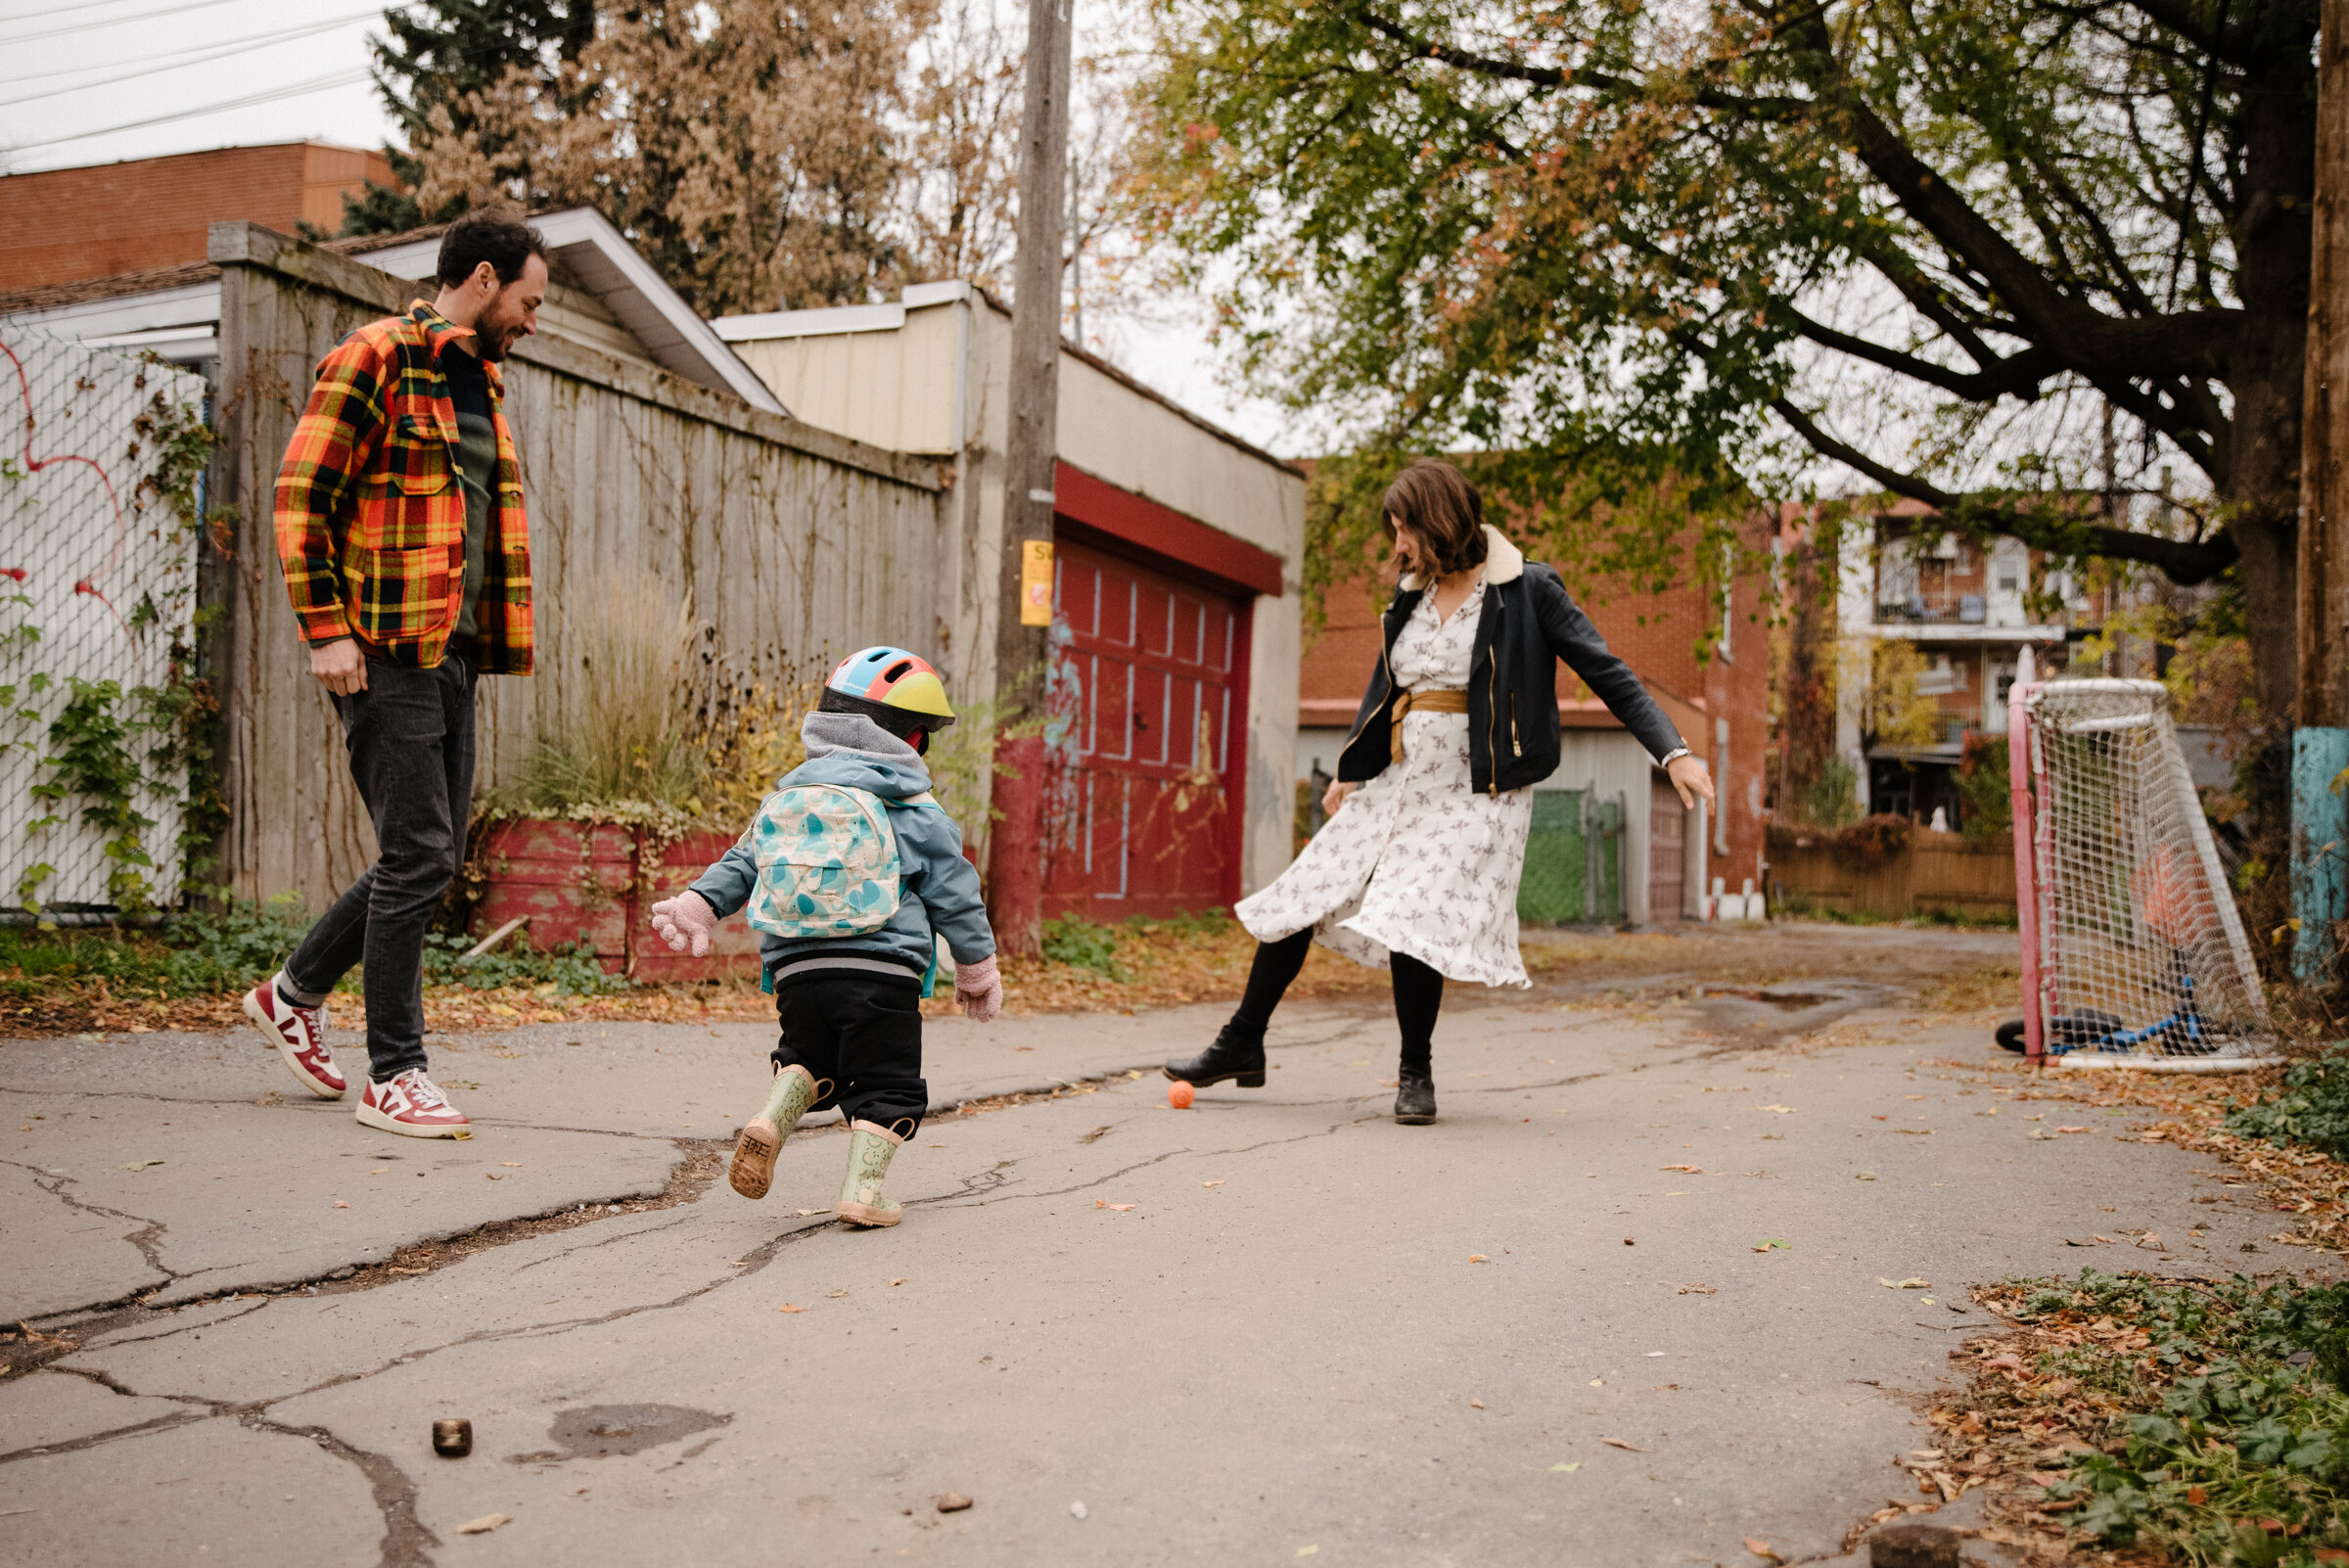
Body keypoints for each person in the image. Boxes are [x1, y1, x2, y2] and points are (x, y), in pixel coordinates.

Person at [1165, 458, 1716, 1123]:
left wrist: (1673, 751)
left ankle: (1414, 1072)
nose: (1398, 545)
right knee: (1306, 890)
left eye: (1406, 528)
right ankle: (1241, 1043)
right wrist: (1352, 768)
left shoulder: (1525, 587)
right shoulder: (1412, 595)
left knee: (1411, 911)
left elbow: (1607, 671)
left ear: (1440, 520)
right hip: (1399, 782)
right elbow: (1387, 689)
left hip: (1476, 791)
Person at [239, 209, 549, 1138]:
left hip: (453, 652)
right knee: (419, 854)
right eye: (530, 302)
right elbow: (300, 496)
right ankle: (396, 1073)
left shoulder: (480, 385)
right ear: (485, 279)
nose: (534, 321)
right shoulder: (376, 357)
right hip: (384, 649)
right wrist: (325, 631)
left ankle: (293, 993)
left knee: (432, 854)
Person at [647, 647, 1003, 1228]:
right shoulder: (914, 811)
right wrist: (976, 969)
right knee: (888, 1084)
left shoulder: (786, 800)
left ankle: (772, 1117)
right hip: (883, 973)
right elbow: (955, 895)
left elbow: (743, 861)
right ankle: (863, 1191)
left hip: (796, 971)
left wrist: (697, 906)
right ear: (912, 741)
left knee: (808, 1055)